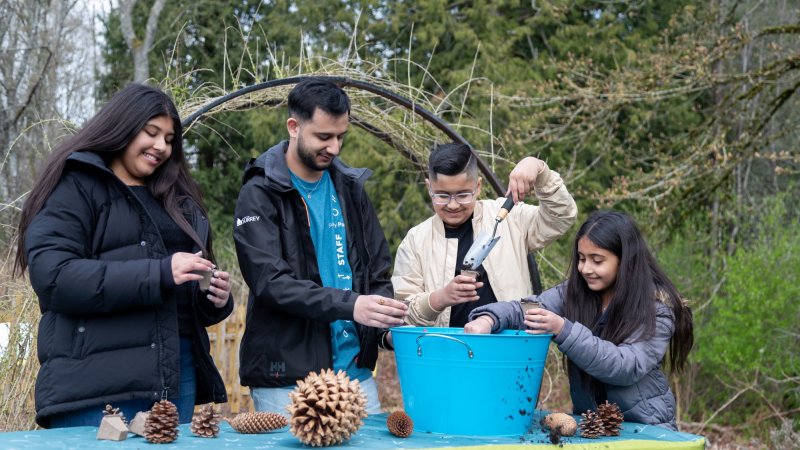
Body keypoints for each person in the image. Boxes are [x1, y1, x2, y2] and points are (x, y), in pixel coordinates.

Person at [13, 84, 233, 428]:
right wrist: (160, 273)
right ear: (122, 126)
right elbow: (54, 278)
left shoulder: (178, 200)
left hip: (177, 375)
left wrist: (213, 298)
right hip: (97, 384)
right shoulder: (77, 186)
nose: (161, 146)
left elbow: (180, 284)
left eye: (170, 138)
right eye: (151, 133)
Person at [233, 78, 407, 415]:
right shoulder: (259, 193)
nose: (335, 148)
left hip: (356, 377)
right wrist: (351, 305)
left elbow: (377, 271)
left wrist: (381, 326)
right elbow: (271, 283)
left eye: (341, 136)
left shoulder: (351, 188)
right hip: (287, 381)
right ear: (294, 126)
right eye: (324, 137)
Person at [464, 211, 694, 430]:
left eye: (597, 260)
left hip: (647, 430)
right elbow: (528, 308)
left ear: (625, 261)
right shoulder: (575, 292)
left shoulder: (657, 307)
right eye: (582, 258)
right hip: (593, 427)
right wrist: (489, 318)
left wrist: (563, 329)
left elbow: (627, 366)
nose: (585, 269)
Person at [392, 142, 577, 328]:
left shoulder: (509, 218)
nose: (453, 205)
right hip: (446, 351)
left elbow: (561, 216)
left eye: (463, 195)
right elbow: (403, 313)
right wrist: (440, 298)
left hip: (511, 347)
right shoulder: (415, 240)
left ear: (478, 186)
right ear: (429, 188)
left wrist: (538, 168)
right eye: (442, 196)